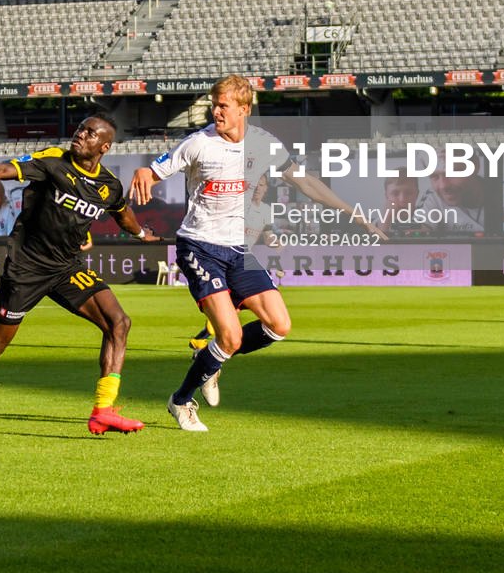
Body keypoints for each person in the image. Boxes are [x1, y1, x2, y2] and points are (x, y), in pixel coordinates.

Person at [128, 74, 355, 433]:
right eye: (214, 104)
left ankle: (210, 361)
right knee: (230, 336)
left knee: (279, 325)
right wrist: (144, 172)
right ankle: (182, 400)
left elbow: (304, 181)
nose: (215, 111)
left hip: (239, 249)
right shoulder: (198, 144)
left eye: (223, 106)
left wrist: (349, 209)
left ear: (244, 110)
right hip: (199, 246)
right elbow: (154, 171)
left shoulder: (264, 143)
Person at [0, 117, 161, 434]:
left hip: (67, 268)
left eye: (90, 133)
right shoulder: (52, 162)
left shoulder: (109, 185)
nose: (80, 134)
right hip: (27, 268)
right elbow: (0, 171)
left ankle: (103, 410)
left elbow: (123, 213)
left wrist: (142, 233)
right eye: (80, 129)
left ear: (103, 146)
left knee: (119, 323)